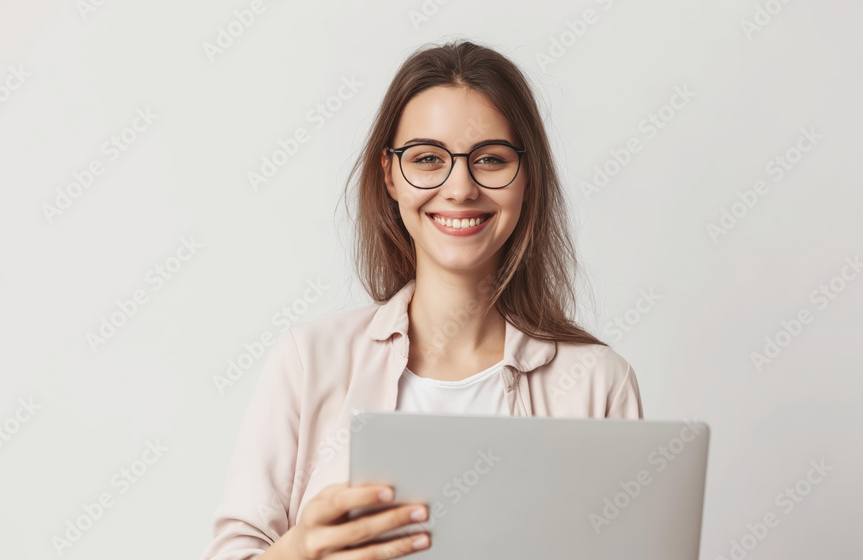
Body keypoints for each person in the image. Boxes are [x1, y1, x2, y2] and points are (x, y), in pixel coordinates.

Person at [202, 38, 643, 560]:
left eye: (491, 159)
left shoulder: (597, 384)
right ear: (389, 174)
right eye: (428, 159)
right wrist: (299, 552)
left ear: (528, 177)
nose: (460, 189)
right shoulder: (308, 362)